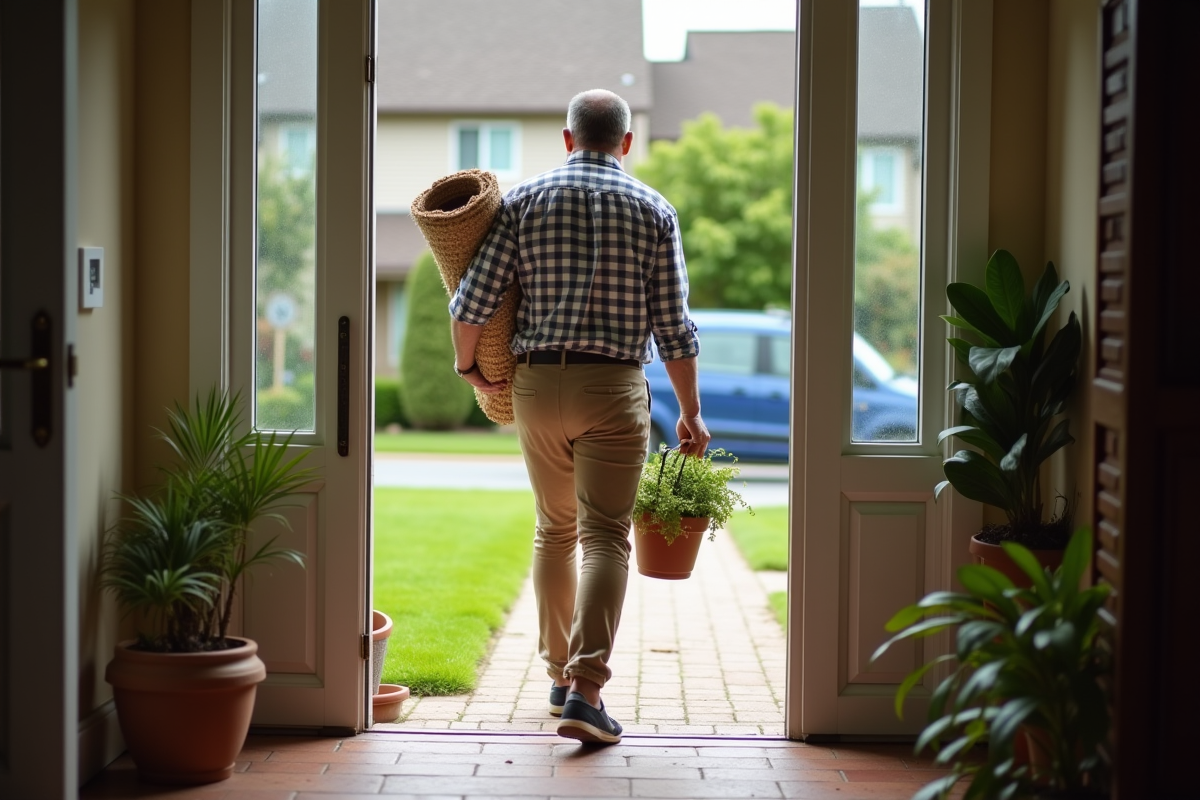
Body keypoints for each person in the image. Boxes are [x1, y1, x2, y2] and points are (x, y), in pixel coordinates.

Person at [448, 88, 709, 744]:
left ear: (568, 139)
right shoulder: (654, 209)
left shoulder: (525, 201)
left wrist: (468, 367)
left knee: (555, 530)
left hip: (538, 382)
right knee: (604, 537)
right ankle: (587, 692)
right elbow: (673, 327)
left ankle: (560, 674)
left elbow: (469, 304)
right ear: (625, 143)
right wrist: (692, 413)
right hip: (614, 386)